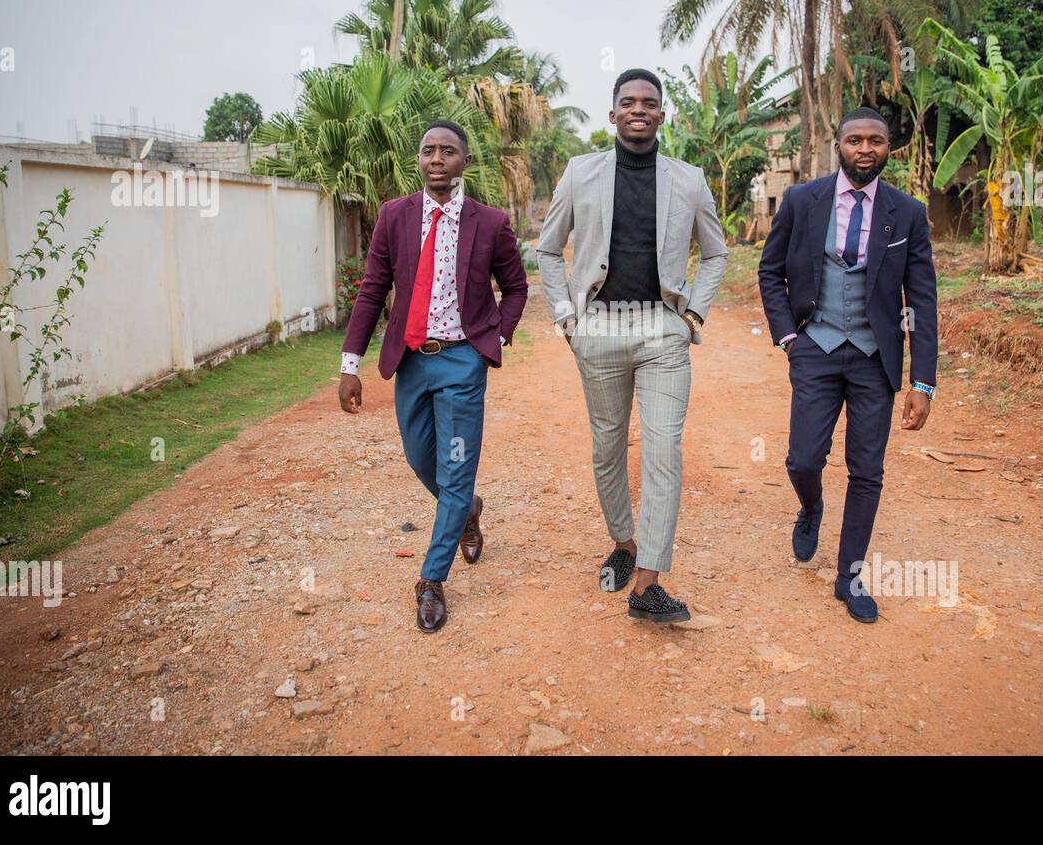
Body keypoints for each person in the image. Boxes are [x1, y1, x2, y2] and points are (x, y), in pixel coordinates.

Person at [536, 68, 727, 623]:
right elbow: (548, 249)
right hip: (599, 326)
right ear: (613, 113)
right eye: (628, 102)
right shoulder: (580, 173)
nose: (639, 109)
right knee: (608, 446)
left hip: (663, 328)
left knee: (664, 446)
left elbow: (715, 252)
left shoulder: (689, 180)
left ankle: (648, 581)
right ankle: (623, 544)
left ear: (663, 115)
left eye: (649, 102)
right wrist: (568, 319)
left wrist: (694, 312)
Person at [339, 120, 528, 632]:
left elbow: (515, 287)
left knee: (457, 466)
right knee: (421, 457)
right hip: (412, 362)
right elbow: (373, 288)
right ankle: (467, 511)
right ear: (418, 160)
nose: (436, 159)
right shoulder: (394, 216)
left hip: (463, 361)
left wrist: (498, 337)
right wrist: (350, 364)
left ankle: (431, 580)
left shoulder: (488, 222)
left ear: (464, 162)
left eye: (448, 151)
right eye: (428, 151)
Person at [757, 107, 938, 623]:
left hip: (874, 358)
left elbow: (922, 302)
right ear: (838, 146)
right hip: (814, 345)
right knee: (803, 459)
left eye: (876, 140)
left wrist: (922, 381)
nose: (865, 149)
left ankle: (849, 577)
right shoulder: (801, 200)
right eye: (855, 140)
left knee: (867, 471)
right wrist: (789, 337)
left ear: (888, 148)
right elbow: (770, 271)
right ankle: (810, 506)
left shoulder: (906, 212)